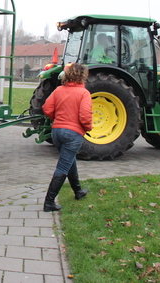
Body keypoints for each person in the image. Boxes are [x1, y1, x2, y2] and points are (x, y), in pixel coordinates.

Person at [41, 63, 92, 212]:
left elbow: (47, 108)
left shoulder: (58, 90)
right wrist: (88, 128)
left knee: (69, 161)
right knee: (63, 166)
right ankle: (49, 202)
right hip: (73, 134)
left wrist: (57, 119)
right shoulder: (84, 94)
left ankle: (78, 192)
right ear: (82, 76)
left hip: (57, 132)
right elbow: (85, 116)